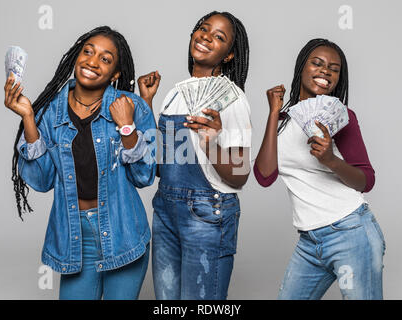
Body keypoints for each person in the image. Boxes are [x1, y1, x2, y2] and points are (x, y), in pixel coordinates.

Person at [4, 26, 157, 300]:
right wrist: (28, 117)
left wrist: (127, 128)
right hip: (75, 236)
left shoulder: (132, 107)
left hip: (123, 233)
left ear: (116, 73)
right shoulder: (49, 111)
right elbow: (41, 181)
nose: (92, 61)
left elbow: (144, 176)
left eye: (105, 59)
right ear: (77, 56)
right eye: (88, 52)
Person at [254, 38, 385, 300]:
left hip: (351, 233)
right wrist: (273, 113)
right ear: (301, 67)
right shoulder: (282, 120)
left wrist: (330, 160)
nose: (325, 71)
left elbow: (366, 181)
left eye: (334, 69)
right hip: (309, 241)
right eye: (317, 63)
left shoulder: (342, 118)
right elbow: (264, 176)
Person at [140, 11, 252, 300]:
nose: (206, 37)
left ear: (228, 56)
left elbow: (240, 176)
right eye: (203, 29)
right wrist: (146, 103)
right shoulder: (175, 93)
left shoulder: (233, 98)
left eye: (219, 37)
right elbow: (161, 166)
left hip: (206, 215)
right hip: (165, 210)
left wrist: (211, 142)